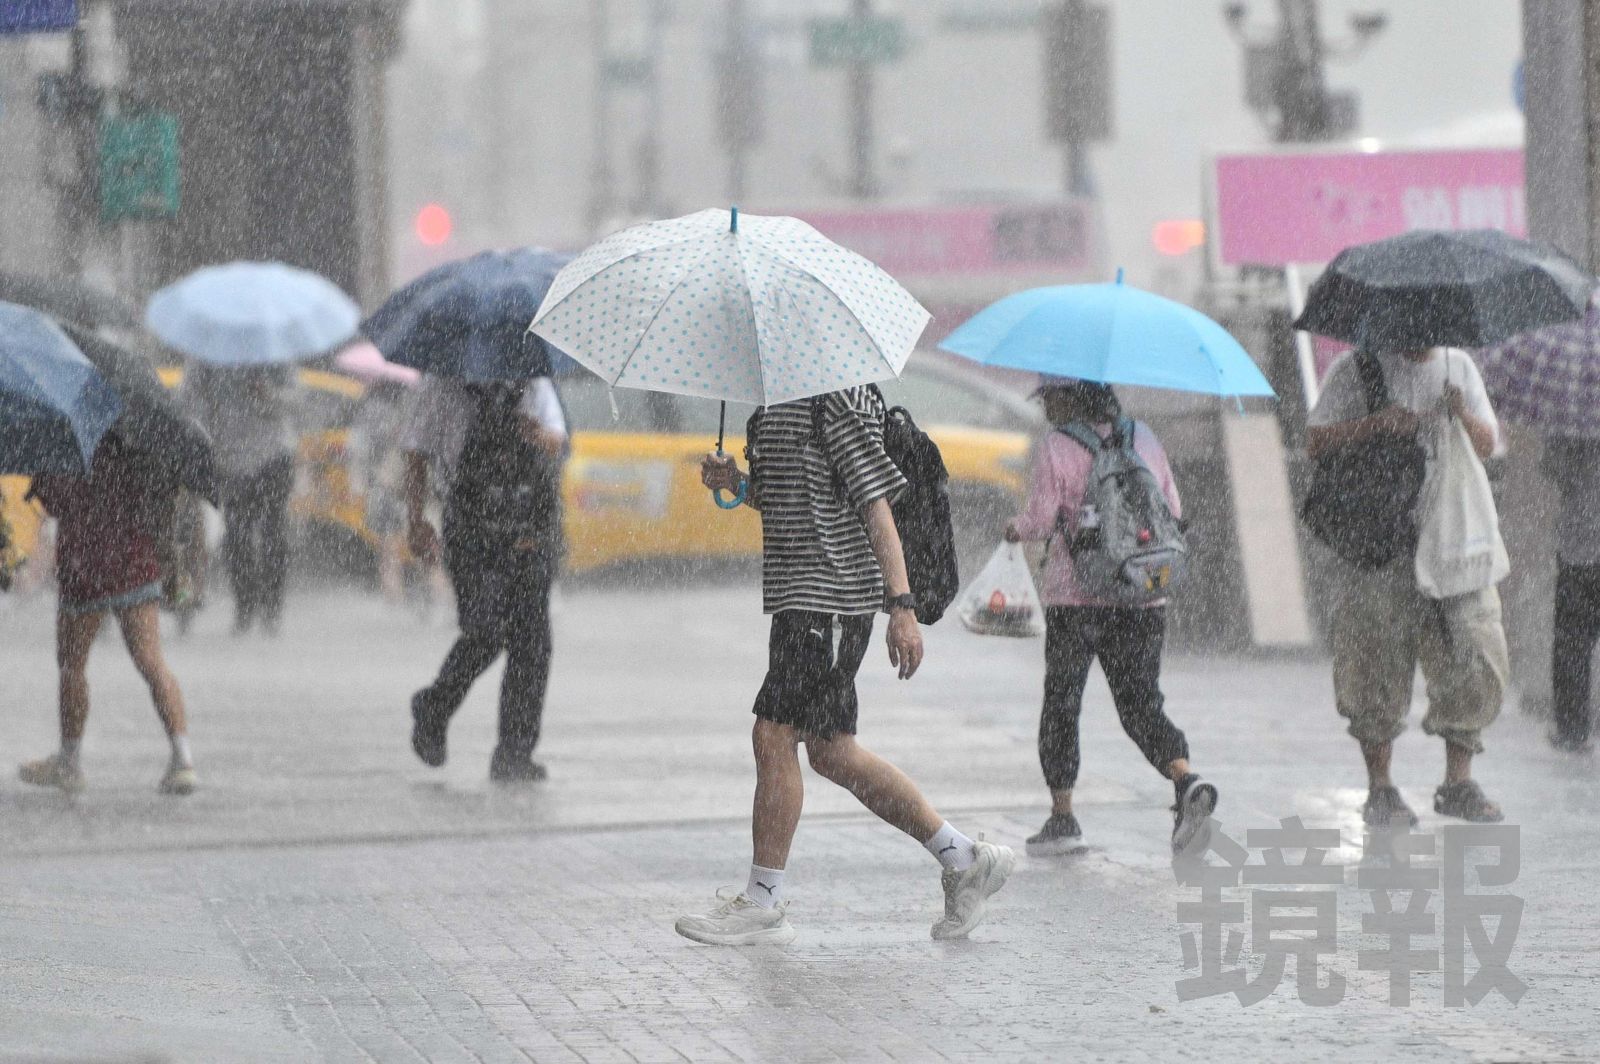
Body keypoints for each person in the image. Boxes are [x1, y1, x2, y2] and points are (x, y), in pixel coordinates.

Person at [682, 386, 1015, 947]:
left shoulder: (836, 397)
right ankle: (963, 858)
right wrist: (735, 483)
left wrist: (902, 606)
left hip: (831, 600)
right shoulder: (775, 402)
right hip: (798, 601)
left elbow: (875, 503)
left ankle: (762, 902)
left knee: (772, 733)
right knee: (832, 752)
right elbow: (793, 499)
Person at [1004, 377, 1217, 858]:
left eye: (1050, 397)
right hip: (1141, 594)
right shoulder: (1145, 437)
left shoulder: (1056, 446)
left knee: (1063, 706)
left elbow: (1040, 521)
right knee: (1142, 705)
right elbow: (1172, 511)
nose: (1046, 407)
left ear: (1069, 396)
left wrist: (1014, 528)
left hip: (1075, 599)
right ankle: (1185, 779)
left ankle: (1063, 817)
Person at [1307, 345, 1508, 825]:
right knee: (1373, 661)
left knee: (1475, 654)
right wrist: (1375, 425)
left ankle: (1458, 781)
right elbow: (1316, 441)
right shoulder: (1356, 369)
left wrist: (1460, 413)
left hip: (1455, 538)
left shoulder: (1458, 367)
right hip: (1380, 543)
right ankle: (1380, 787)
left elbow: (1487, 445)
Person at [405, 372, 568, 783]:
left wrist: (536, 435)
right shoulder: (441, 384)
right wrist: (415, 519)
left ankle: (515, 753)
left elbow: (557, 442)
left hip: (528, 526)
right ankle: (435, 706)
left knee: (531, 644)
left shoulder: (534, 382)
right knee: (485, 630)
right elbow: (416, 450)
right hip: (470, 528)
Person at [18, 434, 197, 796]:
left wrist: (41, 475)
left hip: (85, 563)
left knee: (72, 665)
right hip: (134, 560)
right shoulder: (137, 437)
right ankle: (183, 759)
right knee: (151, 661)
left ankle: (70, 762)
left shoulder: (66, 439)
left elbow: (54, 502)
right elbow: (158, 495)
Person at [182, 361, 297, 635]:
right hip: (230, 461)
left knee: (273, 534)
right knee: (237, 535)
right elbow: (189, 402)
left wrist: (269, 394)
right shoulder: (206, 360)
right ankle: (245, 604)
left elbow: (295, 400)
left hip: (273, 457)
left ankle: (271, 607)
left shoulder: (274, 355)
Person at [1542, 435, 1600, 754]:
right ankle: (1572, 726)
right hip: (1579, 544)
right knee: (1572, 642)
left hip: (1580, 545)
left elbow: (1553, 468)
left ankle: (1573, 728)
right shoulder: (1573, 419)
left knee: (1572, 642)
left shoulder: (1572, 417)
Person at [349, 380, 412, 604]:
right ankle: (428, 592)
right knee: (410, 543)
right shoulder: (408, 412)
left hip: (383, 486)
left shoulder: (368, 413)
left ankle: (393, 592)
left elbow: (359, 451)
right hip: (405, 487)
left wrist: (359, 485)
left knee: (387, 544)